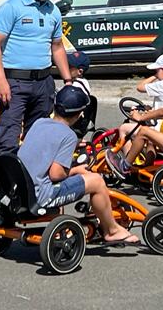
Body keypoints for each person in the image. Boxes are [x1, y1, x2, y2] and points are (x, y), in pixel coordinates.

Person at [18, 85, 138, 244]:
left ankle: (61, 222)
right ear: (80, 114)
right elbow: (56, 174)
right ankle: (112, 230)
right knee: (96, 181)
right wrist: (74, 170)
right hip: (40, 195)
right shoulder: (68, 135)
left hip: (19, 191)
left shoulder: (39, 123)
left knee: (70, 178)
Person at [0, 0, 73, 156]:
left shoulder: (53, 11)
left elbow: (57, 47)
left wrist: (68, 80)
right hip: (15, 83)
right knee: (9, 140)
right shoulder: (12, 7)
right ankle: (7, 186)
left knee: (37, 141)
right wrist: (1, 80)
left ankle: (31, 185)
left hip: (43, 83)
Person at [115, 53, 163, 147]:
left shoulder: (162, 85)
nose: (156, 72)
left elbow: (140, 87)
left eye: (157, 70)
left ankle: (127, 160)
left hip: (160, 128)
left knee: (124, 128)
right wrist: (152, 109)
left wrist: (155, 76)